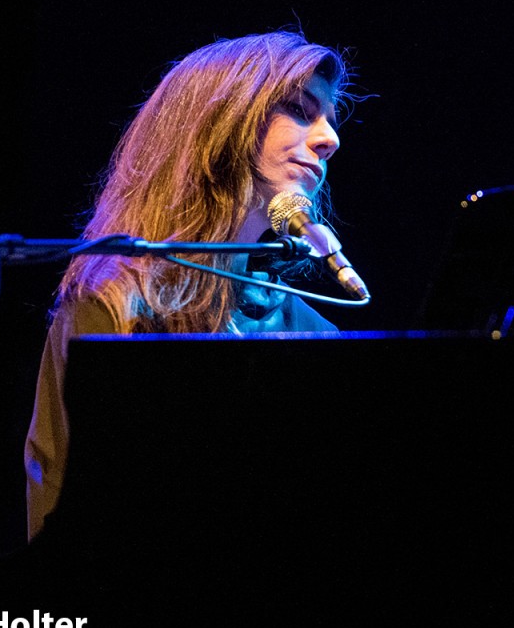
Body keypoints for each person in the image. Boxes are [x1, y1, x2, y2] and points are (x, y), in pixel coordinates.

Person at [24, 30, 353, 540]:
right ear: (222, 123)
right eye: (298, 109)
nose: (330, 138)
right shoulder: (115, 304)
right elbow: (73, 509)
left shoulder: (311, 331)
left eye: (329, 118)